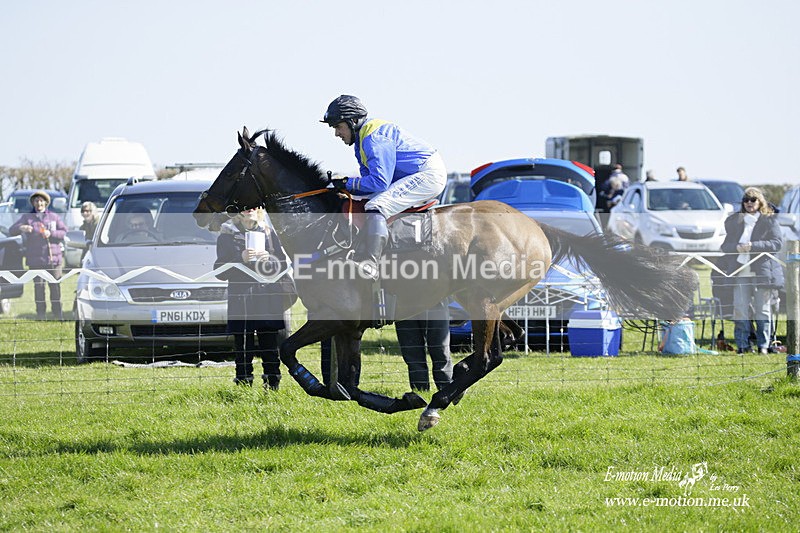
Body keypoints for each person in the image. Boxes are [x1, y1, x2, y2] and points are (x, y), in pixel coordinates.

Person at [320, 95, 447, 280]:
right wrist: (344, 187)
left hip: (427, 173)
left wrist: (347, 183)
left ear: (353, 121)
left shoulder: (373, 139)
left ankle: (371, 263)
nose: (337, 134)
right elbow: (369, 184)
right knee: (371, 202)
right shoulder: (360, 142)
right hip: (417, 173)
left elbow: (379, 182)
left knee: (375, 206)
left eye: (338, 127)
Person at [215, 208, 296, 389]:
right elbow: (219, 270)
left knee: (269, 343)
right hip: (241, 297)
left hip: (267, 294)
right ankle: (244, 385)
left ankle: (272, 383)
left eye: (254, 207)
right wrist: (240, 258)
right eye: (245, 207)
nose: (250, 210)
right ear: (238, 211)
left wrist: (269, 259)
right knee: (243, 344)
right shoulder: (227, 234)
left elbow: (282, 263)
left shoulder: (268, 231)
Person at [719, 187, 783, 354]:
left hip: (763, 271)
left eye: (753, 199)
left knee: (762, 310)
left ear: (760, 202)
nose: (749, 202)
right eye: (746, 199)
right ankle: (743, 345)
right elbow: (725, 246)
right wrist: (736, 247)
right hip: (740, 271)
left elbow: (777, 244)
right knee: (740, 308)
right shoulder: (735, 222)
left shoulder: (769, 220)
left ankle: (764, 345)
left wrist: (753, 246)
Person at [9, 190, 67, 320]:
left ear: (46, 202)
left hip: (54, 259)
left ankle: (58, 313)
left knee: (55, 287)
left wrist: (51, 234)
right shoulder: (27, 217)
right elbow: (11, 230)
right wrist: (21, 228)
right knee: (39, 288)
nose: (39, 203)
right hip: (35, 260)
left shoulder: (54, 216)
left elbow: (64, 232)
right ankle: (41, 315)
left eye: (41, 200)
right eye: (36, 201)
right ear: (33, 203)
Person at [395, 300, 453, 391]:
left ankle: (448, 390)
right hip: (404, 303)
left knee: (440, 349)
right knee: (412, 351)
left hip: (436, 299)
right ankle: (420, 392)